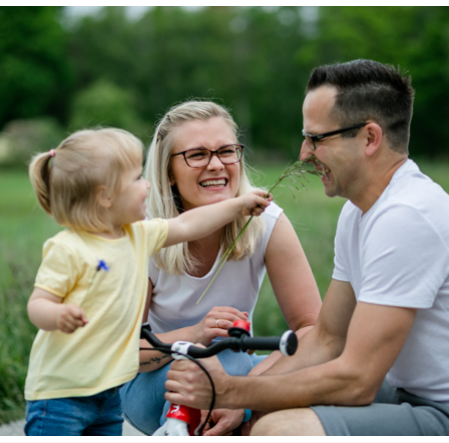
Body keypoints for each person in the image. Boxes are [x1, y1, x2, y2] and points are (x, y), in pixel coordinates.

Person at [164, 59, 449, 436]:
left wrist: (232, 390)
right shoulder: (359, 214)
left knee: (279, 431)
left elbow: (357, 381)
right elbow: (326, 338)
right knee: (262, 412)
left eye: (316, 138)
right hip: (421, 399)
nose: (303, 154)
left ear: (370, 138)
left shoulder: (407, 216)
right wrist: (240, 400)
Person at [23, 128, 272, 436]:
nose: (148, 185)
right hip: (61, 394)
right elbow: (37, 305)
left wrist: (238, 206)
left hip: (108, 392)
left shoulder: (138, 236)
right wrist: (58, 315)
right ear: (105, 196)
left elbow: (187, 224)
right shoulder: (69, 249)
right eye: (137, 178)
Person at [118, 101, 322, 436]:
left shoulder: (266, 223)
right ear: (168, 171)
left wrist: (245, 395)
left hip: (236, 371)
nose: (216, 165)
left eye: (227, 151)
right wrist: (197, 336)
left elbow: (313, 330)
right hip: (148, 386)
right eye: (197, 155)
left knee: (298, 379)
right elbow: (121, 354)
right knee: (224, 360)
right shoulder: (145, 232)